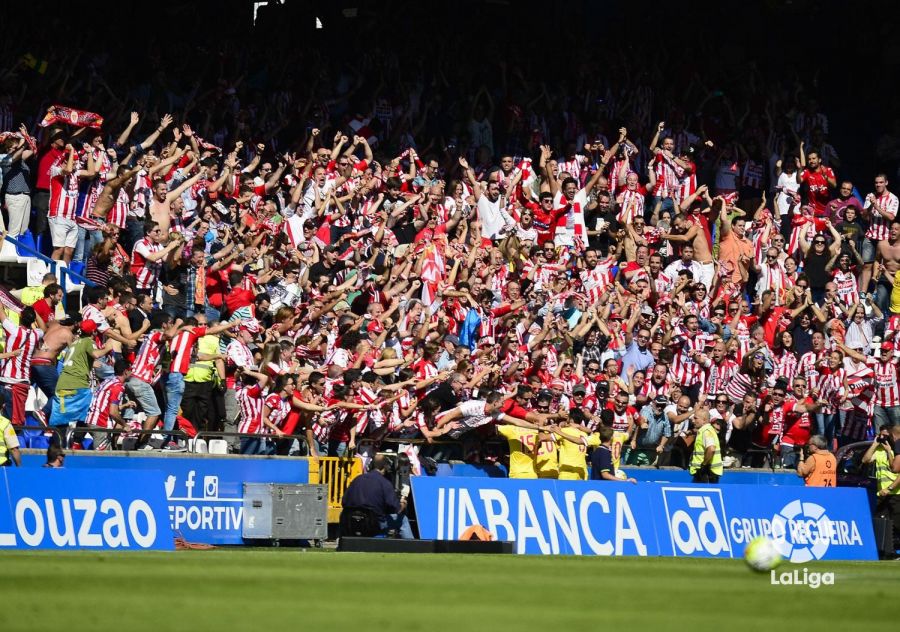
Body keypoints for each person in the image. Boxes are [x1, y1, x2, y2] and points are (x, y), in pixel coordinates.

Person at [341, 454, 413, 539]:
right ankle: (413, 548)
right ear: (385, 467)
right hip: (373, 523)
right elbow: (396, 508)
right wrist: (402, 504)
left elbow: (344, 502)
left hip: (350, 521)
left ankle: (341, 542)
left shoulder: (357, 479)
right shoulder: (385, 483)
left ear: (370, 466)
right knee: (403, 519)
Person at [689, 405, 723, 483]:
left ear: (704, 420)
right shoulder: (706, 430)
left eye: (695, 418)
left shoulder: (706, 431)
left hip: (707, 473)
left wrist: (703, 465)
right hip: (706, 472)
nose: (693, 421)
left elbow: (711, 449)